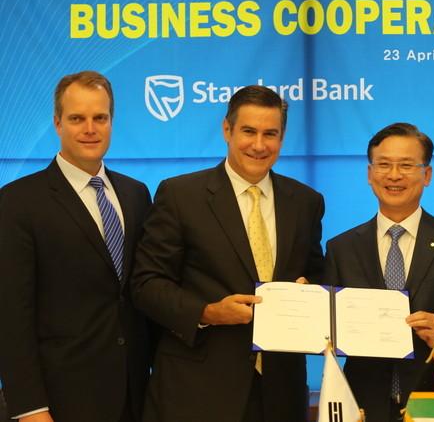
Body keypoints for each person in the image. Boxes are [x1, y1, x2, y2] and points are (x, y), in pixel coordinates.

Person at [131, 85, 324, 422]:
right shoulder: (180, 195)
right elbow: (146, 284)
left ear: (282, 137)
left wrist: (311, 291)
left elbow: (316, 272)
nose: (259, 145)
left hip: (281, 393)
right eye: (248, 131)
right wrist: (207, 312)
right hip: (198, 392)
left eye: (270, 134)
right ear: (227, 129)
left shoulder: (306, 202)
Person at [0, 71, 153, 422]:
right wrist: (31, 408)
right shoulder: (18, 201)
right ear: (57, 123)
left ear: (111, 122)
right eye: (76, 118)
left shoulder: (136, 194)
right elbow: (11, 315)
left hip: (135, 397)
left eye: (100, 117)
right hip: (61, 402)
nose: (90, 129)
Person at [324, 122, 434, 421]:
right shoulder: (341, 248)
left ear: (427, 175)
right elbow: (328, 326)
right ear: (369, 174)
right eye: (383, 164)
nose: (394, 175)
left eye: (406, 165)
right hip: (362, 403)